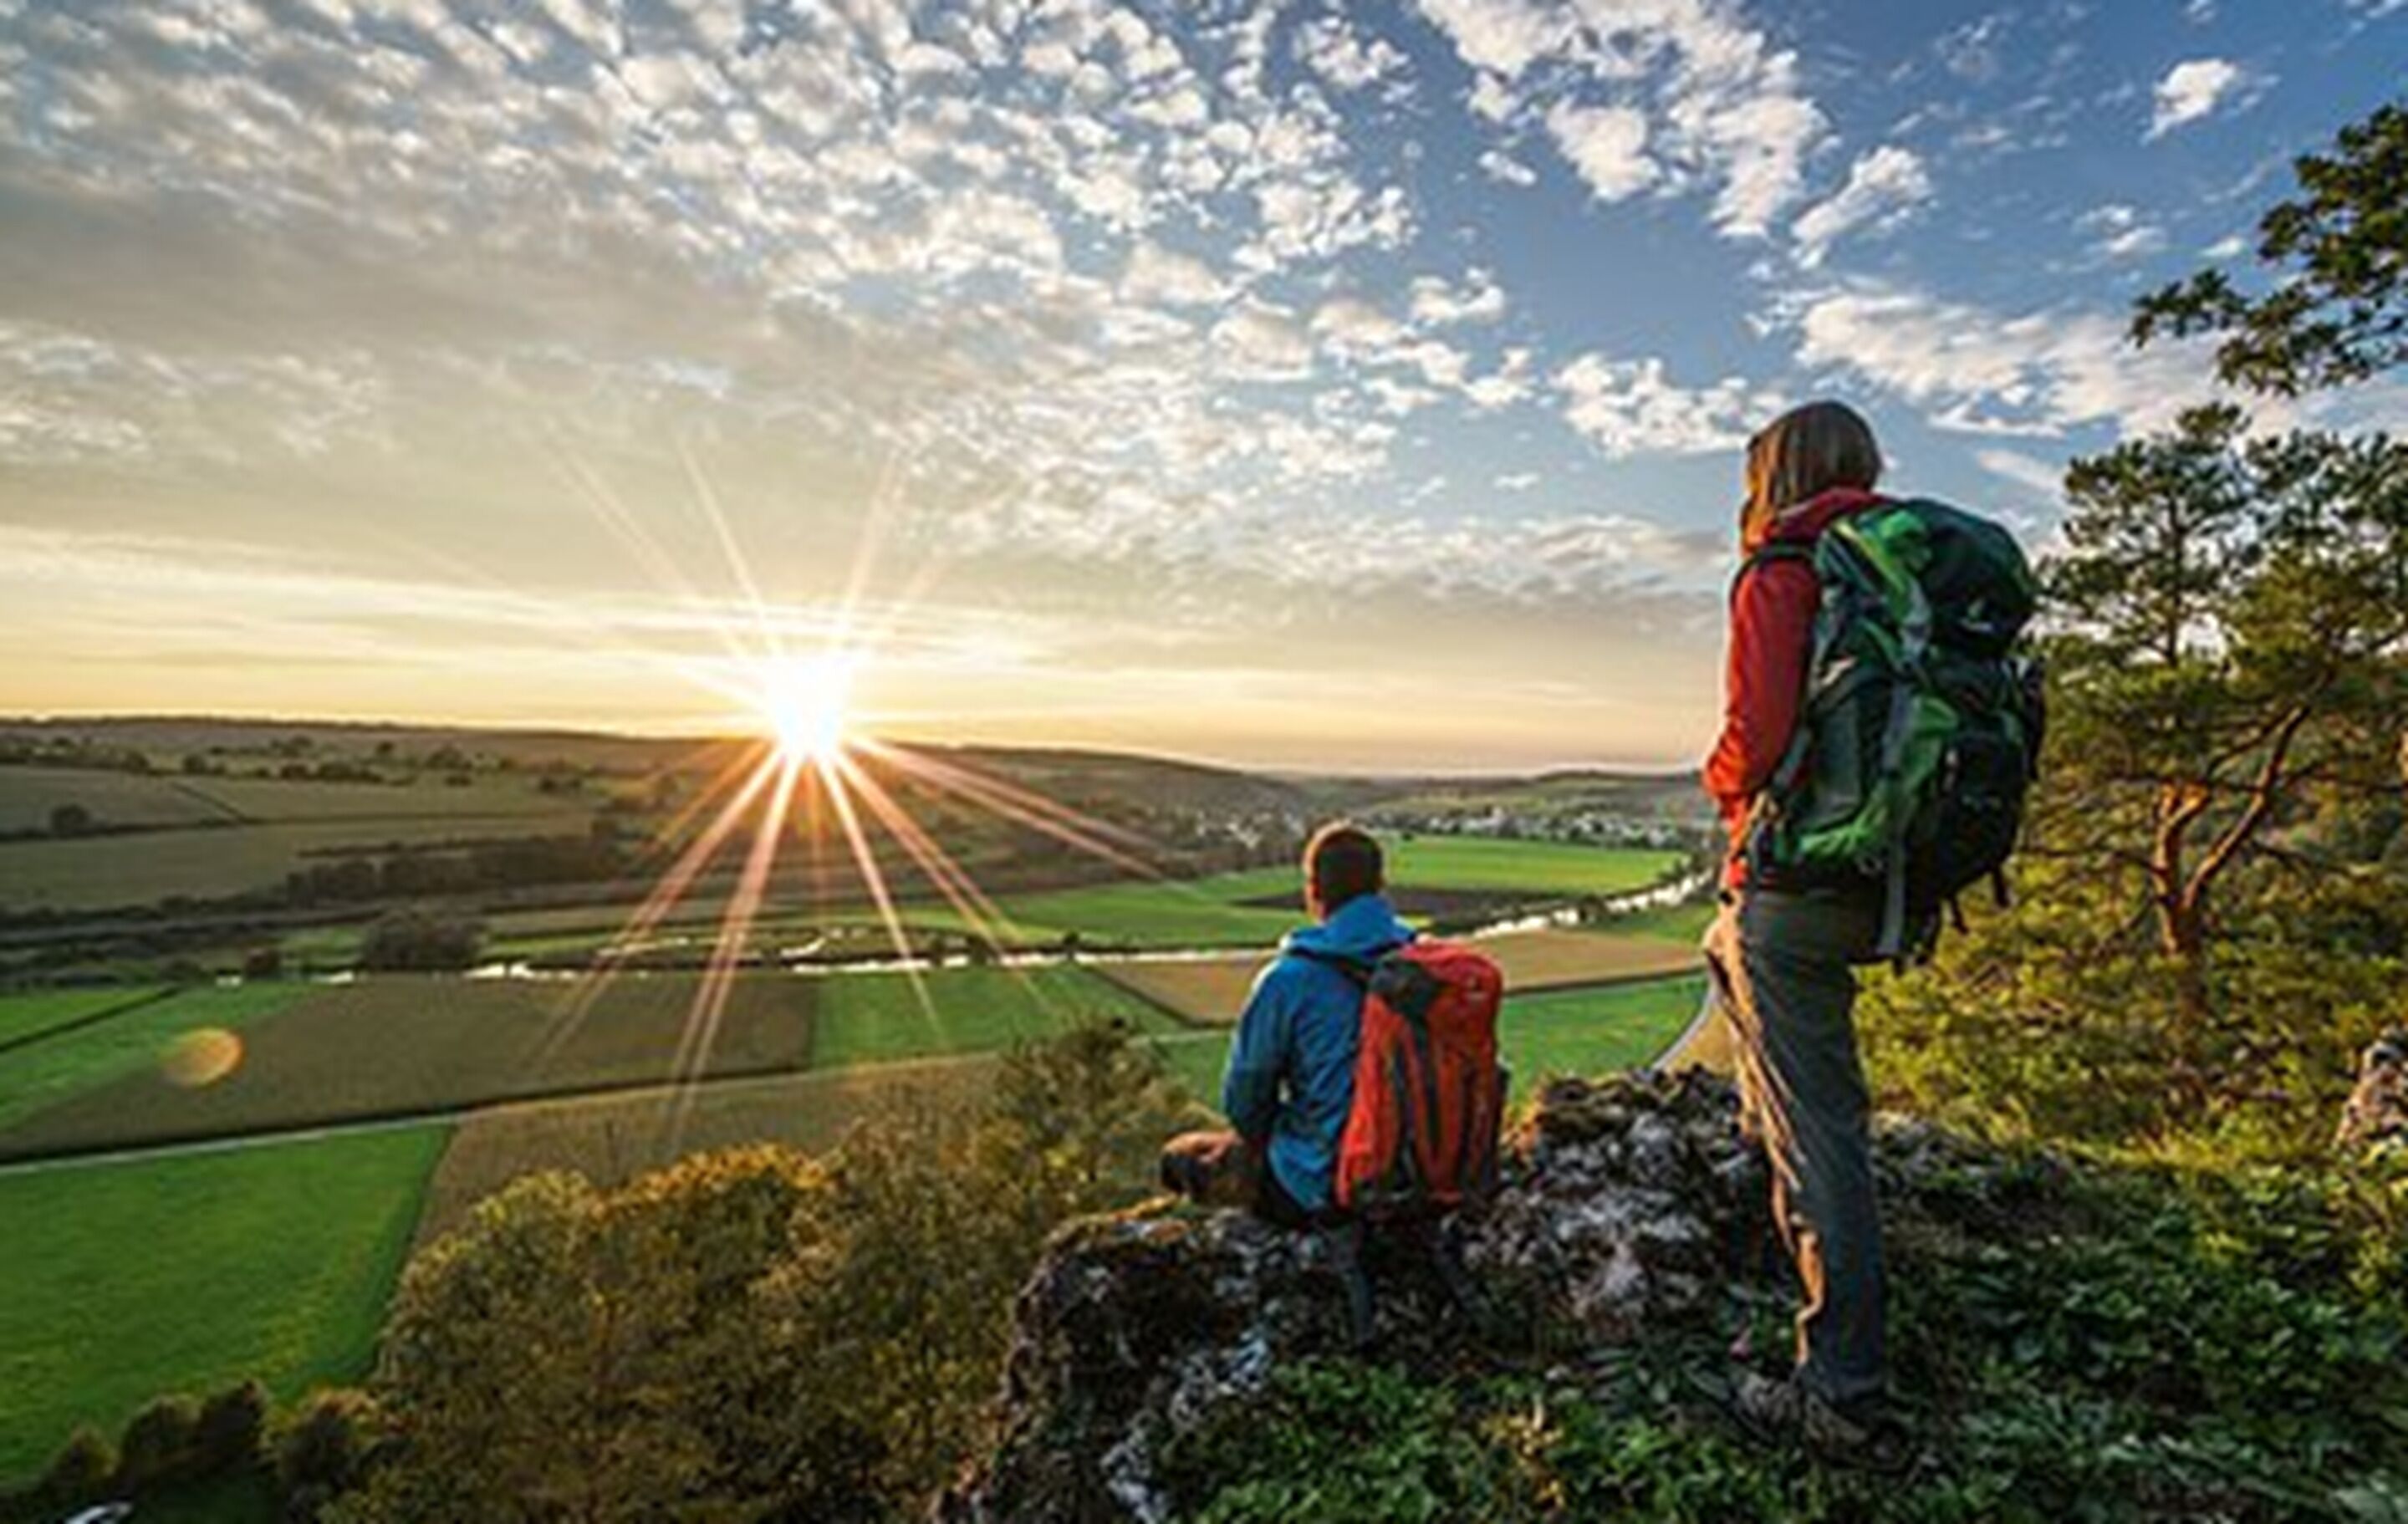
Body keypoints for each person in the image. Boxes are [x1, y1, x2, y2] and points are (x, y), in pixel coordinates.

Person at [1701, 400, 1902, 1462]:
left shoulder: (1785, 569)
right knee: (1726, 961)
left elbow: (1755, 733)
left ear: (1772, 475)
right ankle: (1784, 1257)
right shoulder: (1892, 567)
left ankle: (1843, 1390)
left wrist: (1718, 783)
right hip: (1880, 875)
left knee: (1822, 1128)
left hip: (1798, 878)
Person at [1158, 823, 1415, 1227]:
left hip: (1323, 1183)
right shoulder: (1424, 962)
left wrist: (1278, 1138)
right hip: (1427, 1165)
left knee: (1178, 1157)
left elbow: (1244, 1103)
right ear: (1381, 885)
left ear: (1313, 893)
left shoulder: (1288, 980)